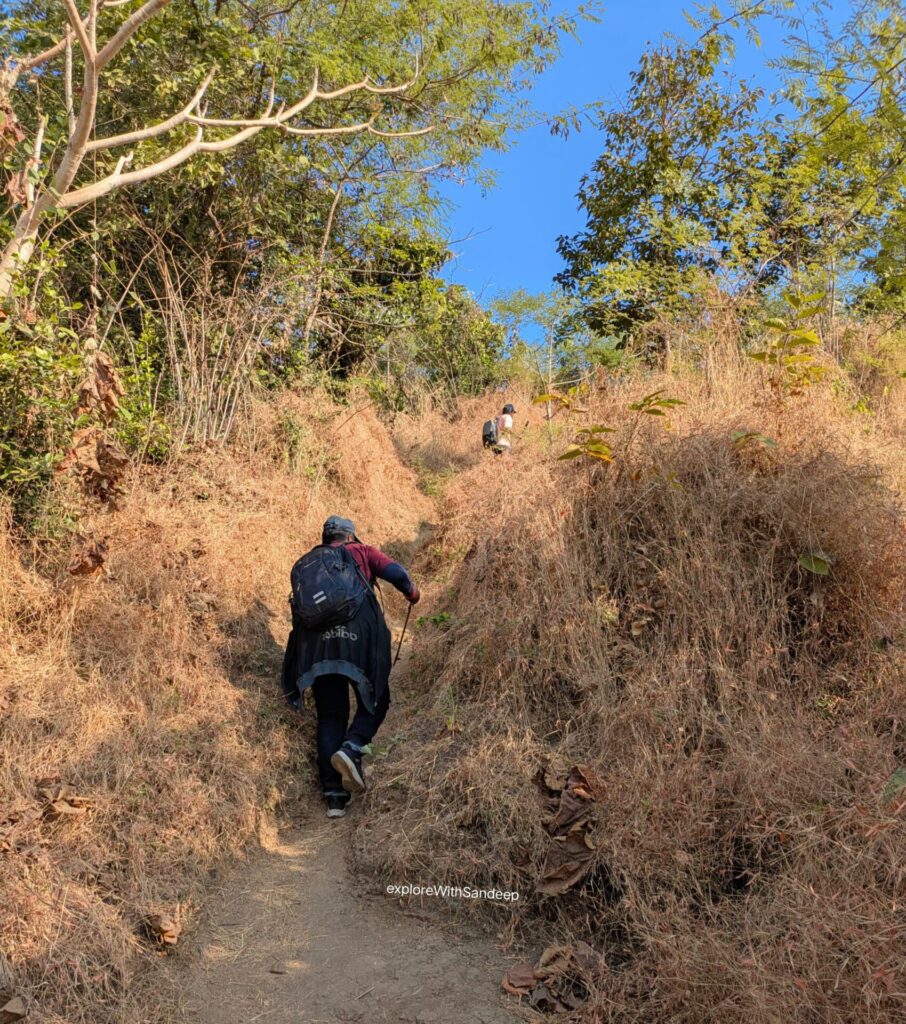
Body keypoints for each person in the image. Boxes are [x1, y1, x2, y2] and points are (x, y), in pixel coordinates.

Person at [281, 516, 420, 819]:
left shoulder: (309, 564)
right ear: (350, 537)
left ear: (326, 538)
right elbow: (396, 574)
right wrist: (413, 593)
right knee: (378, 698)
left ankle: (334, 798)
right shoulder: (362, 553)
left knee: (331, 714)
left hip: (316, 648)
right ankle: (353, 746)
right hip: (358, 640)